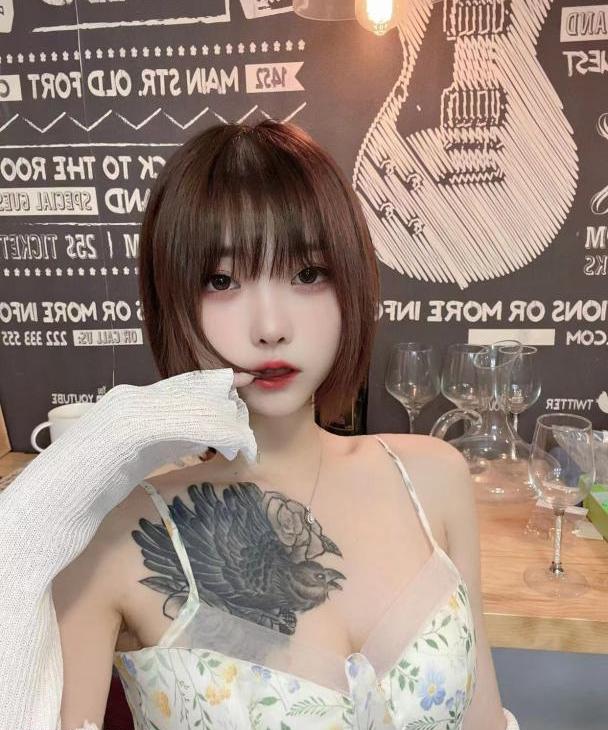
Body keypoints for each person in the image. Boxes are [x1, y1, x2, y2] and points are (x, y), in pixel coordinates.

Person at [0, 121, 518, 730]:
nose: (270, 327)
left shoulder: (432, 478)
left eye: (307, 274)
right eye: (222, 281)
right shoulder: (114, 540)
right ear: (173, 300)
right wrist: (39, 511)